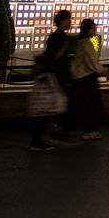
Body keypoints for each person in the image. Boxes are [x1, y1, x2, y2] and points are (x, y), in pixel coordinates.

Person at [30, 9, 74, 151]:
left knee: (49, 108)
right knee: (47, 108)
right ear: (62, 21)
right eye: (68, 20)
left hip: (55, 76)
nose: (70, 23)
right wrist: (65, 50)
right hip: (55, 77)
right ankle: (40, 139)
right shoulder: (58, 38)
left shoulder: (57, 37)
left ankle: (47, 135)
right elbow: (53, 57)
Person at [70, 19, 105, 140]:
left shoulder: (80, 42)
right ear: (88, 29)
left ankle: (87, 129)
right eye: (93, 28)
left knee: (85, 104)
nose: (95, 30)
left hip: (80, 78)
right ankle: (89, 130)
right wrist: (100, 70)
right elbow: (92, 60)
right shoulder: (86, 43)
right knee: (91, 105)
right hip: (86, 78)